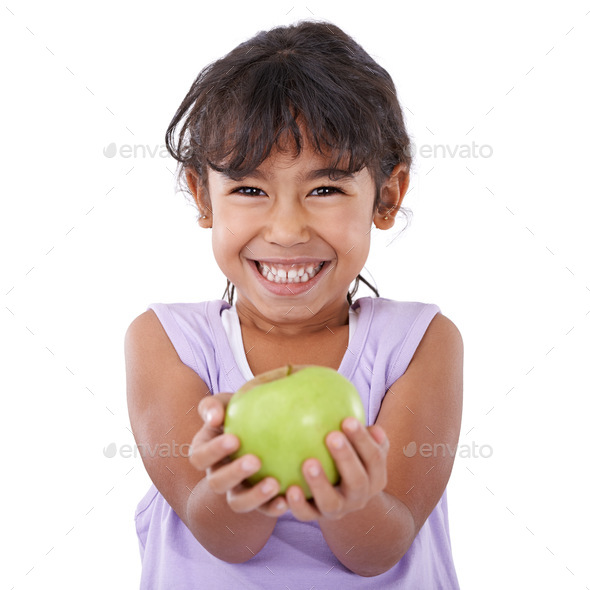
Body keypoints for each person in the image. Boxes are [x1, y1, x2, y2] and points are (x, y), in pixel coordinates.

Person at [125, 19, 463, 589]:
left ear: (387, 195)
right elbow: (225, 539)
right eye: (249, 190)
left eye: (325, 189)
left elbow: (380, 549)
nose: (285, 229)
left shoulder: (420, 343)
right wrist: (234, 477)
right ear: (201, 196)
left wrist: (351, 500)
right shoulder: (166, 341)